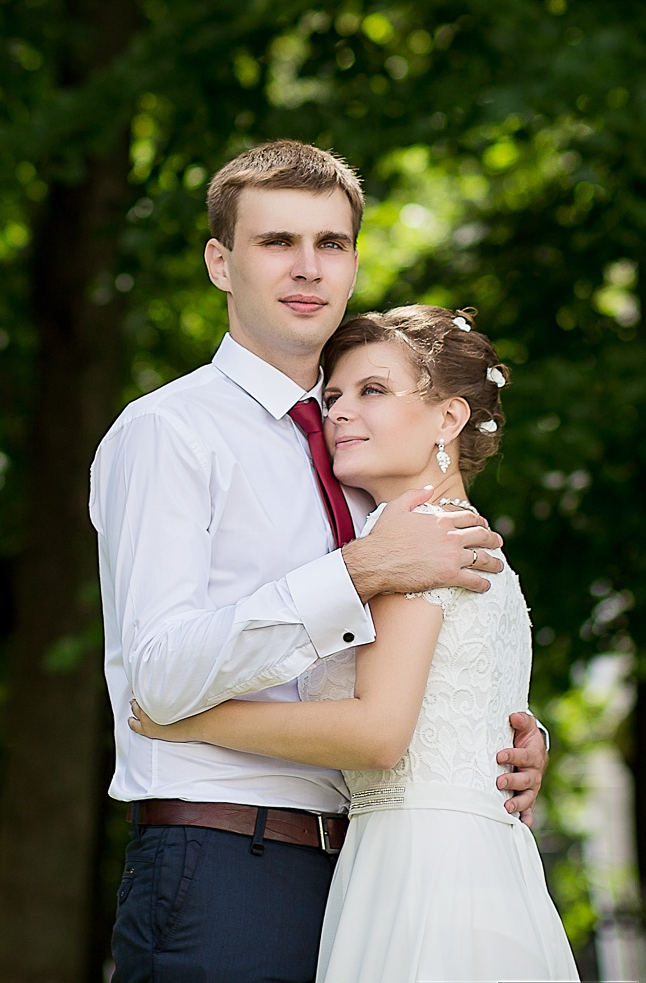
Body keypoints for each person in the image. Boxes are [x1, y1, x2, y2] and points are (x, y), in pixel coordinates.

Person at [91, 139, 550, 983]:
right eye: (277, 243)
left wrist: (506, 741)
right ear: (220, 263)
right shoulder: (169, 433)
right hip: (225, 859)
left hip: (366, 872)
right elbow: (155, 675)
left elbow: (424, 670)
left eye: (330, 244)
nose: (308, 268)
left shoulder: (370, 457)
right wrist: (357, 573)